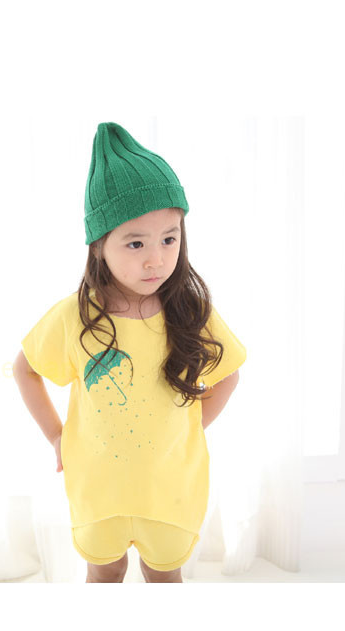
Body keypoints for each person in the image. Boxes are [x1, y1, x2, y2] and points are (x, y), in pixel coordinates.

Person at [13, 122, 247, 583]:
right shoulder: (75, 316)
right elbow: (25, 370)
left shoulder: (189, 311)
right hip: (99, 490)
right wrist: (57, 436)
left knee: (164, 577)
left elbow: (228, 374)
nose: (156, 259)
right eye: (136, 242)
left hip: (170, 490)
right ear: (99, 245)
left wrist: (188, 427)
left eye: (169, 238)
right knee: (105, 573)